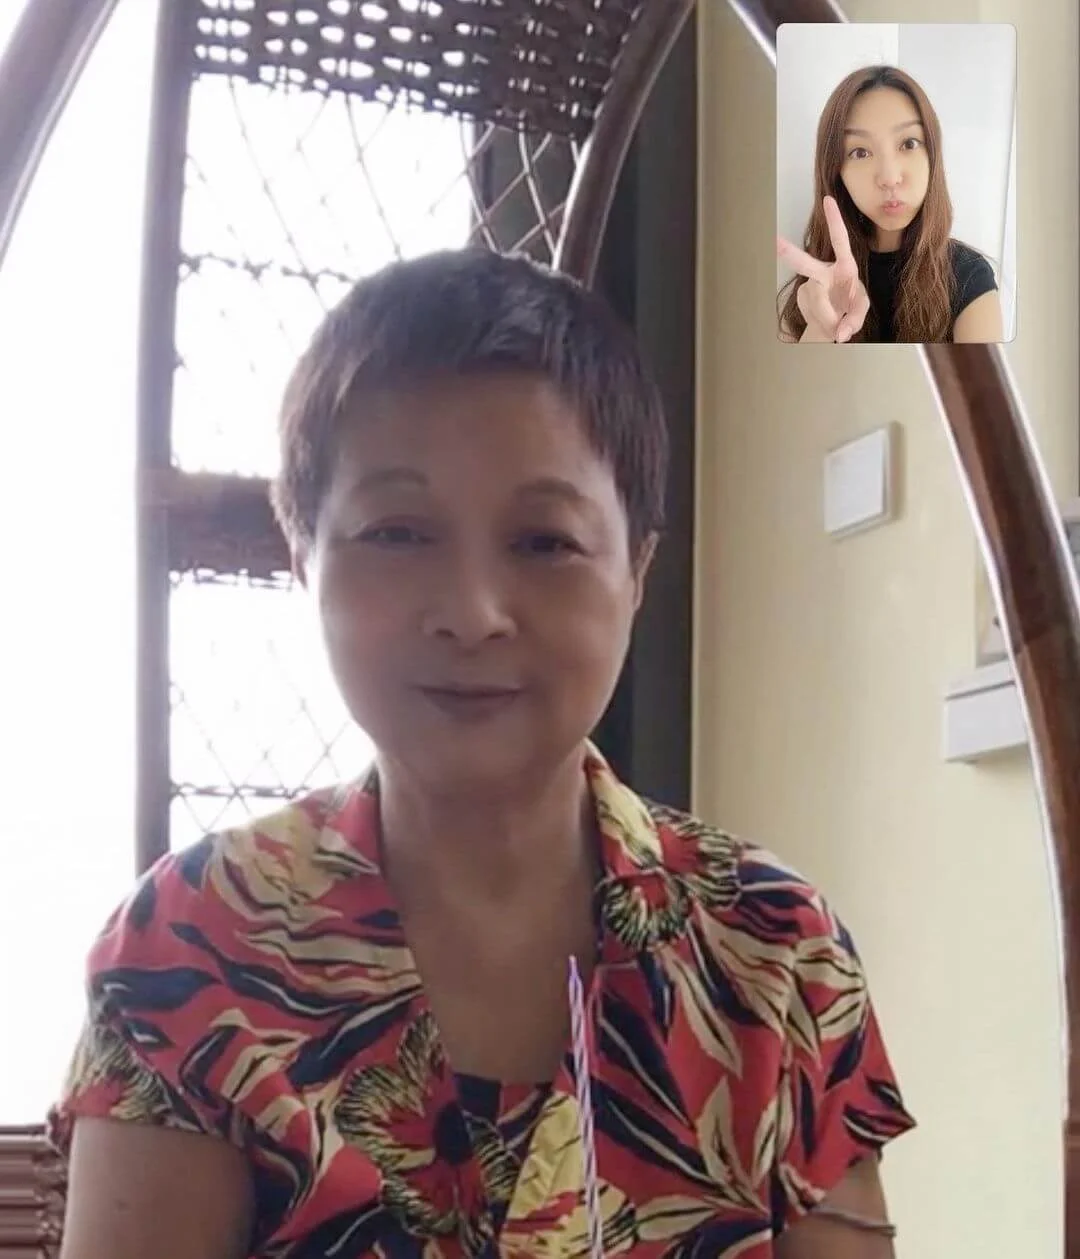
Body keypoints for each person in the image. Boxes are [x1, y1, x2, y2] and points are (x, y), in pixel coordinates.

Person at [49, 249, 915, 1258]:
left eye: (544, 540)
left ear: (636, 570)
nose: (472, 612)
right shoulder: (189, 946)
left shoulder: (777, 952)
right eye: (397, 532)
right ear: (303, 557)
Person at [777, 64, 1004, 344]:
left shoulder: (970, 276)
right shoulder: (816, 280)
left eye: (909, 144)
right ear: (836, 172)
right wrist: (821, 329)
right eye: (860, 152)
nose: (889, 178)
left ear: (932, 156)